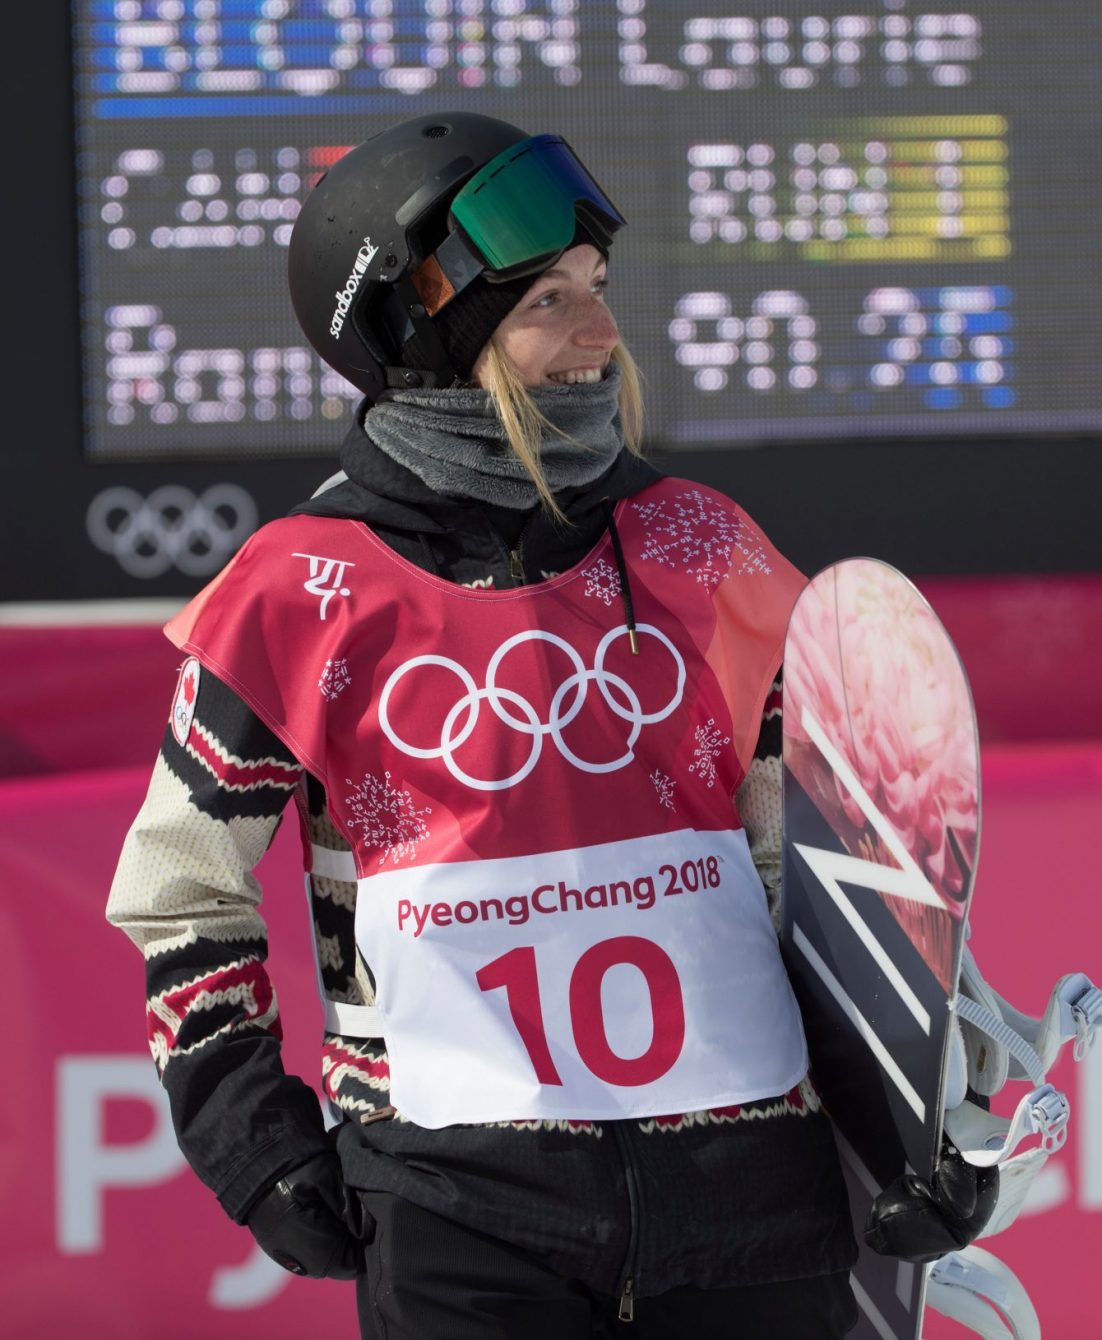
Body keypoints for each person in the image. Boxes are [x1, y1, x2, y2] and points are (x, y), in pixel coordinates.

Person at [107, 112, 989, 1339]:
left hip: (749, 1196)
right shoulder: (302, 588)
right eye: (546, 302)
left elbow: (830, 877)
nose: (601, 332)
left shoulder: (700, 543)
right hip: (459, 1207)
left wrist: (915, 1120)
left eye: (597, 288)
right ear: (427, 333)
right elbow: (181, 890)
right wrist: (255, 1143)